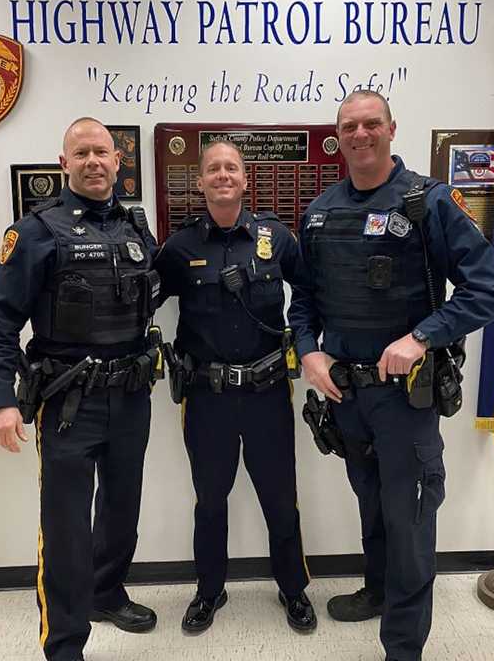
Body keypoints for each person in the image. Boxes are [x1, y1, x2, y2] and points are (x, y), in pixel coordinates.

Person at [289, 91, 494, 661]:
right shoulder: (319, 212)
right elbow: (304, 299)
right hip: (345, 395)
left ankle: (403, 647)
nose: (361, 134)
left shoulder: (426, 203)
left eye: (371, 123)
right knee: (372, 503)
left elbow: (488, 290)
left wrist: (423, 336)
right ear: (338, 136)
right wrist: (308, 352)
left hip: (406, 401)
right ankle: (379, 590)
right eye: (349, 126)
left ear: (390, 129)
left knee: (409, 519)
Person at [0, 117, 162, 661]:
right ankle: (64, 644)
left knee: (121, 509)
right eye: (80, 153)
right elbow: (0, 324)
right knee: (64, 528)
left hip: (131, 396)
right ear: (64, 164)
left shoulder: (136, 229)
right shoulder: (34, 233)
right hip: (69, 402)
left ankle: (106, 592)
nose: (93, 161)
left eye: (101, 152)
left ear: (117, 161)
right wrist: (0, 400)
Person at [154, 140, 316, 634]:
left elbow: (309, 292)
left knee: (279, 497)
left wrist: (309, 343)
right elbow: (139, 302)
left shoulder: (277, 236)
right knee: (210, 499)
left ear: (246, 180)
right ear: (199, 181)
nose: (223, 175)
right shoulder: (180, 247)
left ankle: (293, 589)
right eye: (213, 169)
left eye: (232, 168)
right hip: (207, 398)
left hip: (268, 392)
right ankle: (209, 590)